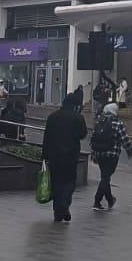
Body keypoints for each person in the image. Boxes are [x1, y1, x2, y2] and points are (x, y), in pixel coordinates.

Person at [41, 92, 87, 223]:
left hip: (54, 155)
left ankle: (57, 212)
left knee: (56, 182)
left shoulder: (53, 117)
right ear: (75, 105)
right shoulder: (78, 117)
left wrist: (44, 156)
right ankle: (65, 204)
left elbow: (46, 137)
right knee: (69, 182)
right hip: (70, 155)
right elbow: (83, 134)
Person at [89, 101, 132, 210]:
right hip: (112, 155)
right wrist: (129, 150)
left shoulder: (99, 122)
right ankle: (97, 201)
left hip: (99, 154)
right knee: (106, 177)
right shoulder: (117, 123)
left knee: (105, 176)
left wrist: (93, 154)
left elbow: (93, 139)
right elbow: (124, 139)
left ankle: (110, 200)